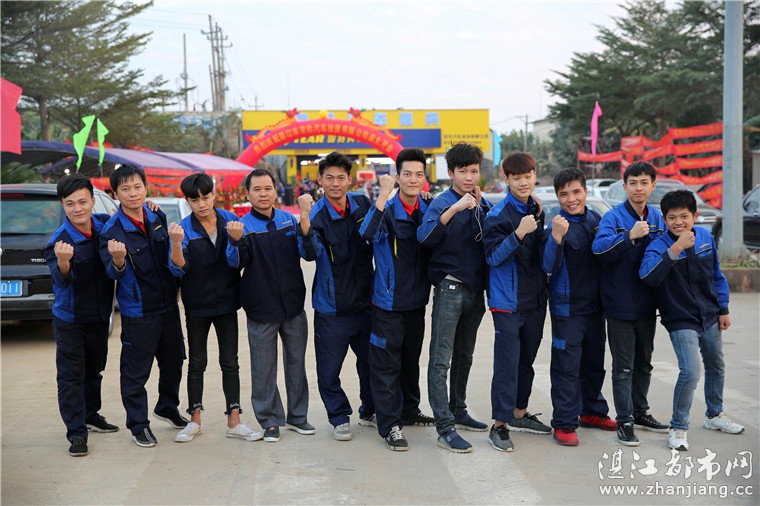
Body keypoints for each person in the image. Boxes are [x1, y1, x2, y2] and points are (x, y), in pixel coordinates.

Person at [639, 190, 744, 451]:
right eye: (672, 217)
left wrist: (723, 309)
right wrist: (676, 248)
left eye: (684, 216)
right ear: (664, 219)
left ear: (695, 216)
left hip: (709, 315)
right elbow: (647, 277)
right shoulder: (658, 246)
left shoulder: (705, 238)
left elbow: (716, 275)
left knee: (716, 365)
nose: (678, 222)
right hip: (680, 318)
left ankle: (714, 415)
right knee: (690, 371)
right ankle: (678, 427)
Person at [168, 173, 262, 443]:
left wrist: (235, 239)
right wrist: (176, 243)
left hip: (227, 302)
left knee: (230, 362)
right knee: (197, 363)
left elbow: (236, 262)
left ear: (214, 195)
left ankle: (234, 421)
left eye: (205, 197)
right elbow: (179, 267)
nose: (201, 204)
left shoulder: (230, 221)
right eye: (194, 200)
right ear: (187, 201)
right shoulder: (183, 228)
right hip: (196, 305)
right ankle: (194, 420)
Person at [99, 164, 188, 448]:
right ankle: (138, 424)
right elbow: (111, 273)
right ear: (115, 194)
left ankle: (167, 407)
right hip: (138, 312)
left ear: (145, 188)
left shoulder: (156, 216)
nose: (133, 193)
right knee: (136, 372)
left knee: (174, 361)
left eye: (137, 187)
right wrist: (118, 260)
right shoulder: (112, 231)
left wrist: (177, 285)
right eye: (125, 189)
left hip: (168, 306)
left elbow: (169, 258)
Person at [227, 169, 314, 443]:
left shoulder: (289, 221)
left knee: (296, 364)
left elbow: (309, 253)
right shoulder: (242, 226)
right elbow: (235, 263)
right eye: (257, 189)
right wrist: (235, 240)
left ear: (276, 191)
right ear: (248, 194)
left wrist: (305, 219)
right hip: (261, 309)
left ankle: (298, 416)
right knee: (263, 369)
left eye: (268, 188)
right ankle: (270, 420)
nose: (263, 194)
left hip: (293, 306)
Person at [417, 142, 493, 453]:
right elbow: (425, 237)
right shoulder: (442, 202)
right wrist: (455, 209)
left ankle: (458, 409)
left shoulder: (481, 202)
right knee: (440, 360)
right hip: (449, 289)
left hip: (475, 292)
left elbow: (498, 226)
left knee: (465, 356)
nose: (469, 177)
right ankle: (444, 427)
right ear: (451, 173)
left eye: (474, 171)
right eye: (463, 171)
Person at [359, 148, 436, 452]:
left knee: (410, 361)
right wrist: (382, 194)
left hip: (416, 302)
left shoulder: (427, 208)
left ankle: (409, 409)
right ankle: (390, 424)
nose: (413, 179)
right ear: (398, 176)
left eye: (419, 174)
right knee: (386, 366)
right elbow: (366, 233)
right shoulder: (387, 210)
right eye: (407, 174)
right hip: (387, 304)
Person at [297, 151, 375, 441]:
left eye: (341, 178)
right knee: (329, 370)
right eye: (329, 178)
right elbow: (309, 253)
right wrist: (304, 217)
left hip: (366, 303)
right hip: (332, 308)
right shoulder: (316, 214)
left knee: (371, 364)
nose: (335, 183)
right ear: (320, 181)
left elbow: (381, 222)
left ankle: (370, 410)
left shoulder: (362, 204)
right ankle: (339, 417)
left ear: (349, 179)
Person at [591, 161, 669, 447]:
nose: (638, 188)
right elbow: (599, 249)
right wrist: (629, 236)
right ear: (624, 186)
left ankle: (640, 412)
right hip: (619, 305)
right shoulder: (613, 217)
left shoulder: (658, 218)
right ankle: (624, 420)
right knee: (623, 367)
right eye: (633, 183)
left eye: (644, 182)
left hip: (647, 306)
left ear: (653, 186)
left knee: (644, 364)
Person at [44, 174, 120, 457]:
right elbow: (60, 280)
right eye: (70, 204)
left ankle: (91, 414)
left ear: (92, 200)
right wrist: (63, 262)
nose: (78, 209)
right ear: (62, 205)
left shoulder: (103, 225)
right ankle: (76, 433)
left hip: (99, 316)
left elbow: (127, 214)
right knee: (71, 377)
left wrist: (151, 208)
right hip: (71, 320)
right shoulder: (59, 241)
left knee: (94, 369)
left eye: (82, 202)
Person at [542, 168, 616, 447]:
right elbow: (546, 266)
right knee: (566, 367)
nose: (571, 199)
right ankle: (564, 422)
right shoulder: (556, 226)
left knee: (594, 363)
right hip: (568, 310)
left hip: (595, 308)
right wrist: (556, 238)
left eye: (576, 192)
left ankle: (592, 411)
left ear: (586, 191)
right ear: (557, 197)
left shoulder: (596, 220)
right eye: (564, 194)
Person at [482, 152, 550, 452]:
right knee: (507, 364)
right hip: (507, 301)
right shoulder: (497, 216)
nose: (524, 182)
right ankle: (499, 425)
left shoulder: (536, 208)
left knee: (527, 362)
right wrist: (519, 233)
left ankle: (519, 414)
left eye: (528, 176)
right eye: (517, 177)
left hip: (534, 299)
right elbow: (492, 257)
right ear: (506, 179)